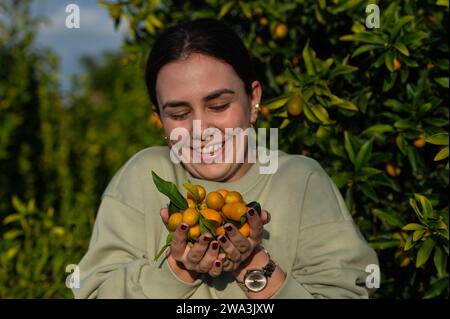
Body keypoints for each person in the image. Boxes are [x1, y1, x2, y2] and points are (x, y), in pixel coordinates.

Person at [72, 18, 378, 299]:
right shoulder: (144, 177)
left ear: (253, 98)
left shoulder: (300, 181)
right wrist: (179, 270)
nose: (200, 129)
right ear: (159, 118)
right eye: (179, 114)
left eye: (218, 105)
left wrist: (252, 263)